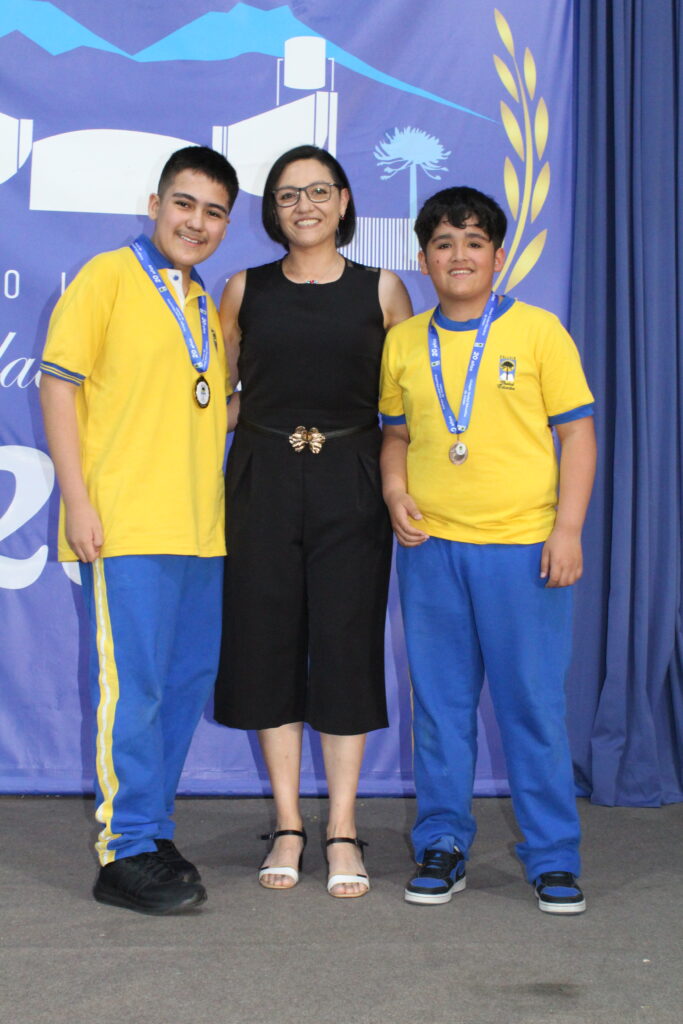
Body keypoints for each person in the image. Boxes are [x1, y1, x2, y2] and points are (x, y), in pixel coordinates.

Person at [379, 186, 596, 914]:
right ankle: (442, 843)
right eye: (443, 243)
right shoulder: (404, 342)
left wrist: (567, 530)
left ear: (498, 257)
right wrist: (393, 490)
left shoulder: (539, 332)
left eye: (474, 242)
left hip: (522, 551)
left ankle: (552, 856)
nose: (459, 255)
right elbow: (395, 434)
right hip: (431, 549)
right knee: (440, 709)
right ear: (423, 260)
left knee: (531, 706)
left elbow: (577, 434)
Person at [39, 146, 239, 915]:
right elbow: (58, 387)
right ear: (155, 204)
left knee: (182, 687)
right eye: (184, 204)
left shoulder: (202, 302)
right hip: (126, 523)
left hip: (201, 531)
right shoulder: (107, 277)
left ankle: (152, 830)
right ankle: (122, 850)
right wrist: (78, 501)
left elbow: (207, 410)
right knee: (135, 690)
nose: (196, 222)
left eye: (214, 212)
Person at [213, 145, 412, 898]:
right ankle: (290, 824)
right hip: (261, 478)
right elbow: (221, 395)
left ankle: (343, 828)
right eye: (288, 194)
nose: (305, 206)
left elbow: (404, 407)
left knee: (345, 643)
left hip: (351, 481)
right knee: (266, 643)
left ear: (344, 200)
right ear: (272, 209)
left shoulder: (382, 289)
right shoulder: (244, 288)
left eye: (318, 191)